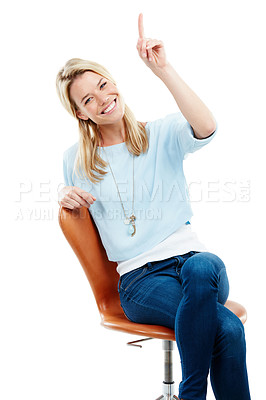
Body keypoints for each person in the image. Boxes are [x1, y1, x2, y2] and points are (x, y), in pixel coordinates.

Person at [56, 13, 251, 400]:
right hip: (141, 281)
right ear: (81, 113)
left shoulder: (160, 133)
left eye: (103, 85)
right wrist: (66, 197)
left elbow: (207, 126)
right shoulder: (77, 161)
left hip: (195, 265)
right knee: (226, 328)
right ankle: (192, 393)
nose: (102, 99)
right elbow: (77, 210)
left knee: (203, 263)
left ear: (115, 84)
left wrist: (163, 70)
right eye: (88, 99)